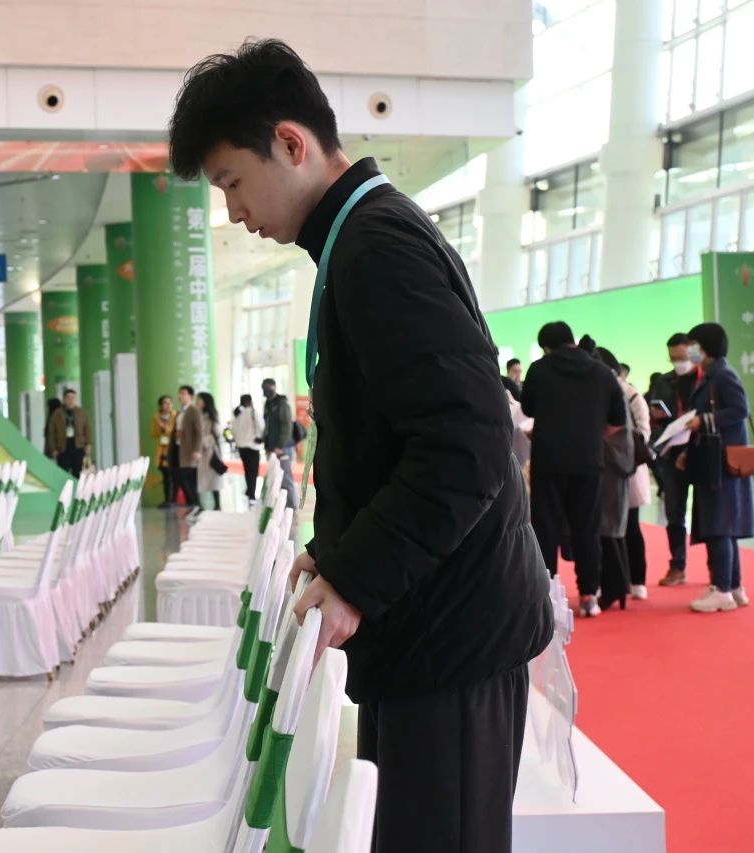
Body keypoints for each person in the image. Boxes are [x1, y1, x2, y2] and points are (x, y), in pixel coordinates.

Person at [168, 39, 553, 853]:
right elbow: (396, 438)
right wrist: (339, 553)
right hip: (427, 621)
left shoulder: (376, 246)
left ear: (290, 143)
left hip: (451, 633)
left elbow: (466, 446)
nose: (233, 211)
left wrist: (357, 576)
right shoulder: (359, 239)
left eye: (232, 181)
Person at [522, 323, 626, 616]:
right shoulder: (602, 372)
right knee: (587, 528)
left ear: (546, 347)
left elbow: (528, 409)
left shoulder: (539, 369)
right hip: (588, 461)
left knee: (546, 528)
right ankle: (589, 594)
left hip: (548, 460)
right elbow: (618, 420)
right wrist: (592, 434)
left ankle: (547, 595)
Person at [678, 323, 754, 613]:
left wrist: (704, 420)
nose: (690, 350)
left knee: (720, 525)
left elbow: (740, 409)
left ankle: (721, 588)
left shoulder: (722, 375)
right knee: (725, 526)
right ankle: (733, 586)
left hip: (720, 462)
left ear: (705, 346)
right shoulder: (711, 374)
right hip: (713, 458)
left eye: (693, 344)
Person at [648, 333, 701, 586]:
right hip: (671, 454)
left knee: (708, 513)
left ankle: (719, 572)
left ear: (693, 352)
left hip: (701, 452)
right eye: (672, 359)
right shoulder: (663, 381)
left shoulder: (705, 380)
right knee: (674, 514)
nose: (678, 363)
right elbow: (654, 414)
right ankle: (677, 566)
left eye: (681, 357)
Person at [592, 346, 634, 613]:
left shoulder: (610, 391)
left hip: (611, 463)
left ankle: (613, 588)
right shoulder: (613, 389)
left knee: (608, 529)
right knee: (612, 530)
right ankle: (618, 586)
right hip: (613, 462)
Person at [622, 363, 653, 600]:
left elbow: (644, 432)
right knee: (608, 530)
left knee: (631, 526)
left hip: (630, 468)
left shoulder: (633, 397)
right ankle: (619, 580)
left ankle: (638, 580)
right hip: (607, 470)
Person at [260, 378, 298, 509]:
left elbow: (287, 426)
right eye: (264, 387)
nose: (265, 390)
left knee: (286, 478)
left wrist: (280, 445)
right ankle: (280, 506)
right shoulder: (268, 404)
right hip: (271, 447)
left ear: (274, 387)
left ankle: (291, 506)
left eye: (268, 387)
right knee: (275, 478)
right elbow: (267, 426)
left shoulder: (282, 404)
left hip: (282, 448)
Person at [46, 388, 90, 478]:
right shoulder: (57, 414)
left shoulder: (81, 413)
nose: (70, 401)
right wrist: (53, 449)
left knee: (78, 472)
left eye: (73, 398)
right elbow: (51, 433)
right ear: (64, 399)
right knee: (63, 473)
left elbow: (87, 429)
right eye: (68, 398)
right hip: (63, 448)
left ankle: (77, 487)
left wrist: (88, 444)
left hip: (78, 446)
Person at [173, 385, 202, 508]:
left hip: (189, 449)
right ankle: (192, 502)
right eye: (180, 393)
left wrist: (197, 449)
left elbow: (199, 432)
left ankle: (194, 503)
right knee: (182, 477)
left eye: (183, 393)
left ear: (190, 396)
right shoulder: (180, 411)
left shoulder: (194, 410)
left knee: (187, 477)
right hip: (179, 447)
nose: (180, 396)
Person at [232, 393, 264, 505]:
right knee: (253, 471)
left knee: (247, 470)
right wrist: (261, 438)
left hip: (241, 446)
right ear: (250, 401)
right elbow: (262, 426)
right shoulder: (253, 412)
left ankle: (249, 490)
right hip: (253, 446)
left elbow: (233, 430)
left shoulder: (237, 413)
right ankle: (252, 495)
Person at [194, 391, 224, 511]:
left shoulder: (212, 417)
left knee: (213, 479)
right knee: (199, 479)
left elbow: (216, 434)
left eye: (199, 399)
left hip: (210, 452)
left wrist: (203, 442)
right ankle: (199, 504)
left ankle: (217, 504)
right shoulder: (197, 415)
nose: (197, 402)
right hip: (199, 452)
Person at [150, 395, 177, 506]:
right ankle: (167, 499)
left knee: (172, 475)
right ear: (161, 405)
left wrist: (164, 427)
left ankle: (172, 499)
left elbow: (173, 431)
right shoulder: (156, 417)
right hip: (161, 449)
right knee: (165, 475)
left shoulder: (175, 416)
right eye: (165, 403)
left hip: (173, 449)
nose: (168, 405)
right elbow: (153, 433)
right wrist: (160, 427)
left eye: (170, 403)